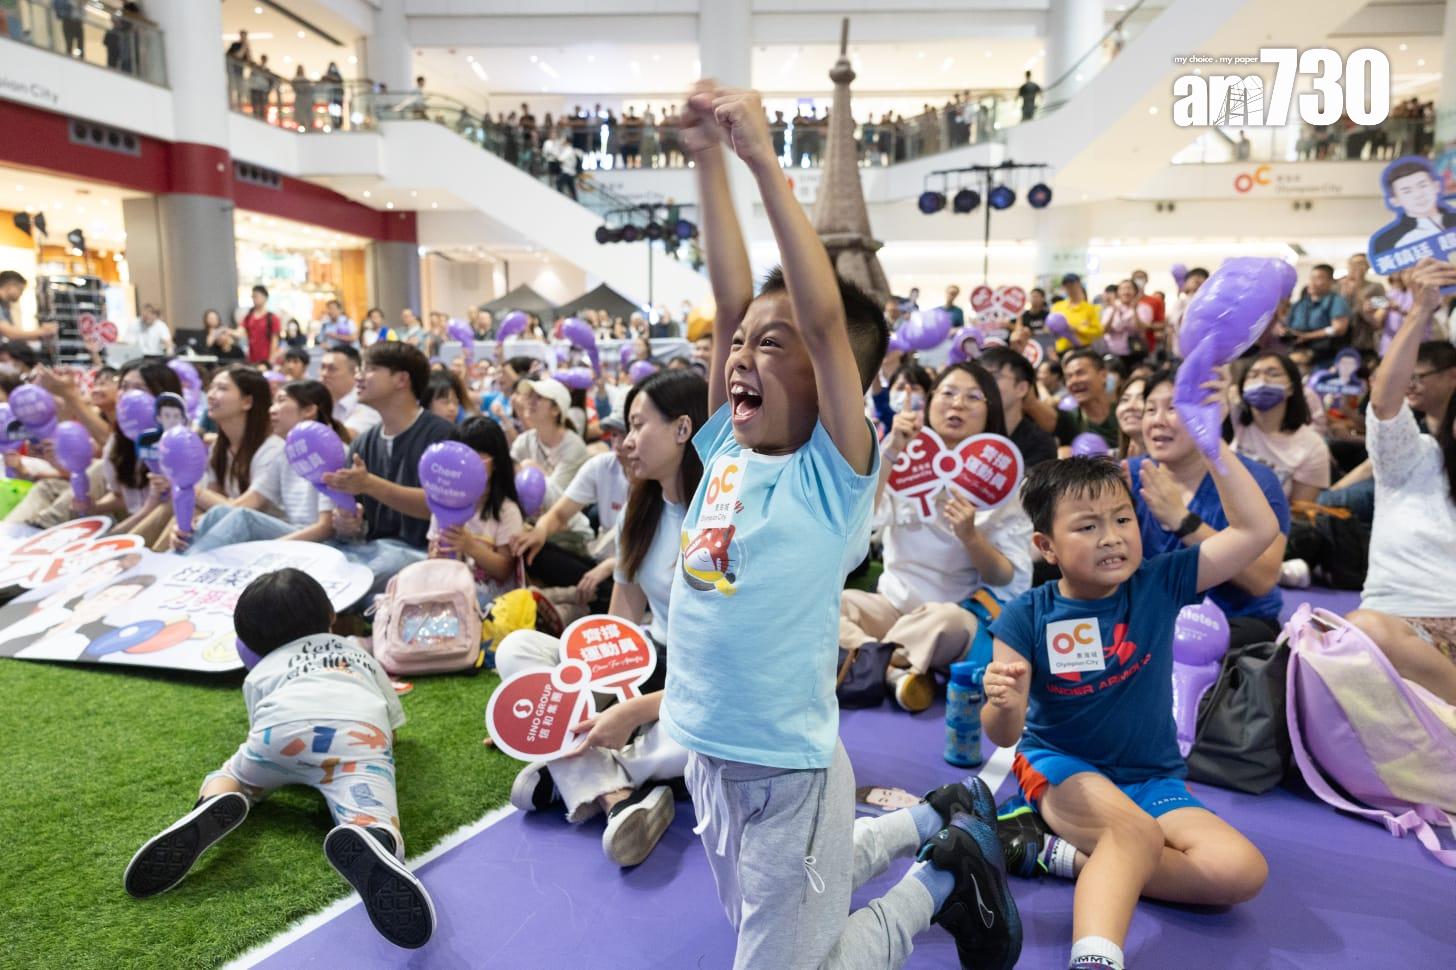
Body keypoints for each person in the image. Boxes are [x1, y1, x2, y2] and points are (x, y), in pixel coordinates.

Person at [670, 81, 1020, 970]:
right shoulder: (725, 453)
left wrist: (758, 160)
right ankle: (930, 825)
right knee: (779, 908)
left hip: (787, 772)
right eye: (742, 343)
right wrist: (707, 161)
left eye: (771, 344)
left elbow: (826, 323)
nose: (745, 356)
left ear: (831, 381)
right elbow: (726, 294)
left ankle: (936, 886)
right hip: (708, 757)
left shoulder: (833, 477)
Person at [983, 451, 1276, 970]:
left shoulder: (1161, 583)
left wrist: (1216, 449)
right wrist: (1002, 702)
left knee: (1240, 872)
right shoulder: (1026, 614)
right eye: (1088, 526)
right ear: (1046, 546)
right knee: (1133, 834)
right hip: (1061, 766)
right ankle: (1095, 959)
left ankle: (1058, 855)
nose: (1112, 536)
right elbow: (1004, 735)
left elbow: (1258, 531)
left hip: (1150, 778)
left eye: (1122, 519)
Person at [123, 569, 435, 949]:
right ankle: (372, 836)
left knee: (232, 772)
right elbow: (393, 728)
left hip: (278, 737)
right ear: (330, 617)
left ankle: (217, 799)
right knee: (373, 811)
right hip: (356, 735)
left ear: (251, 642)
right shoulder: (357, 652)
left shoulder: (261, 671)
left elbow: (260, 722)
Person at [501, 371, 707, 867]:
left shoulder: (719, 520)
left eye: (638, 426)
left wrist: (630, 714)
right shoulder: (642, 509)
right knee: (518, 651)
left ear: (683, 429)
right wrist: (559, 699)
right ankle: (621, 797)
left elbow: (720, 677)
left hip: (702, 686)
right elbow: (616, 628)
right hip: (649, 664)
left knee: (701, 739)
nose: (625, 443)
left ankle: (575, 773)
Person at [843, 361, 1033, 712]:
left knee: (945, 623)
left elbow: (1009, 576)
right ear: (930, 403)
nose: (957, 403)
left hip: (953, 613)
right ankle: (899, 672)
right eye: (947, 392)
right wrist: (892, 449)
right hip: (891, 606)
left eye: (973, 397)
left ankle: (862, 659)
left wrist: (971, 537)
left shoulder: (1000, 483)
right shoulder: (905, 459)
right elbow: (861, 521)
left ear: (990, 413)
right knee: (836, 606)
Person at [1345, 259, 1456, 704]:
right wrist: (1420, 311)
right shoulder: (1414, 459)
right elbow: (1386, 403)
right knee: (1360, 633)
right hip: (1401, 630)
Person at [1130, 369, 1290, 653]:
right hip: (1155, 617)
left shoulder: (1255, 481)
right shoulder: (1131, 475)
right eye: (1150, 410)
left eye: (1172, 408)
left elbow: (1263, 579)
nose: (1157, 421)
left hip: (1236, 622)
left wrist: (1183, 521)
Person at [318, 343, 462, 594]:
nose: (359, 377)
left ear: (401, 379)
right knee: (323, 563)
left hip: (419, 552)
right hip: (371, 548)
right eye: (361, 369)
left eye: (371, 369)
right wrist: (347, 521)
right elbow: (356, 519)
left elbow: (440, 507)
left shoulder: (441, 435)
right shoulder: (363, 441)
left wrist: (371, 484)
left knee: (348, 582)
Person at [182, 381, 346, 555]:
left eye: (281, 401)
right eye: (273, 402)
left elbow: (326, 528)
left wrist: (267, 549)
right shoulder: (285, 452)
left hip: (320, 543)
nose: (272, 410)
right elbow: (246, 502)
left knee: (243, 519)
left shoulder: (332, 450)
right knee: (218, 513)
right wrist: (196, 525)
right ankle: (176, 558)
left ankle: (185, 565)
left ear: (308, 410)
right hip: (290, 532)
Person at [511, 413, 630, 611]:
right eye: (614, 434)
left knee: (615, 587)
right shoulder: (603, 465)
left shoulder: (660, 480)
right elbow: (559, 514)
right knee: (533, 552)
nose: (618, 443)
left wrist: (612, 565)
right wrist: (538, 533)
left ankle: (576, 603)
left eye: (626, 433)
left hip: (632, 570)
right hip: (602, 556)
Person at [427, 416, 523, 605]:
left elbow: (504, 570)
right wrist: (436, 555)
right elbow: (431, 554)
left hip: (493, 600)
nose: (466, 463)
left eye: (477, 455)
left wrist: (469, 545)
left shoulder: (506, 511)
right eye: (462, 455)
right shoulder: (444, 504)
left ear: (495, 462)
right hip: (451, 590)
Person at [1231, 352, 1332, 502]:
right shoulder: (1233, 422)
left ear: (1291, 387)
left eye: (1273, 374)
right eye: (1253, 376)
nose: (1262, 381)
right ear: (1242, 388)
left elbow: (1298, 513)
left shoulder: (1312, 446)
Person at [510, 376, 588, 504]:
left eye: (538, 398)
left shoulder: (573, 447)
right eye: (529, 396)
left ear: (555, 410)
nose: (530, 402)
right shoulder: (523, 441)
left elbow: (558, 499)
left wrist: (533, 470)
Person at [980, 348, 1057, 469]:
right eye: (980, 378)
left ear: (1021, 389)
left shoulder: (1039, 443)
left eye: (994, 377)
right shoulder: (969, 431)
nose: (983, 385)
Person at [1031, 349, 1120, 451]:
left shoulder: (1123, 413)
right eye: (1068, 377)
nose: (1074, 381)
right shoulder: (1069, 419)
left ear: (1103, 375)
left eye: (1080, 373)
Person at [1282, 264, 1350, 369]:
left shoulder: (1336, 301)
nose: (1313, 282)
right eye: (1311, 278)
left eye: (1318, 278)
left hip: (1325, 358)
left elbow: (1338, 328)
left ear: (1330, 282)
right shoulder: (1299, 304)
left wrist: (1307, 336)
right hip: (1296, 353)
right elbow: (1288, 326)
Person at [320, 345, 381, 436]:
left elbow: (350, 437)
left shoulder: (367, 403)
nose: (324, 374)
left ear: (355, 373)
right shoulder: (316, 400)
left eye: (332, 369)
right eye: (322, 367)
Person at [1050, 274, 1102, 354]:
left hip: (1083, 349)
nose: (1070, 288)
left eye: (1072, 284)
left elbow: (1098, 332)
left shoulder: (1090, 308)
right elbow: (1051, 329)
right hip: (1062, 350)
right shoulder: (1057, 307)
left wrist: (1078, 329)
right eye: (1067, 285)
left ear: (1079, 285)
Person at [240, 286, 280, 365]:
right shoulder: (248, 317)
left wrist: (271, 360)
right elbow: (240, 331)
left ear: (265, 298)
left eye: (256, 296)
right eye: (252, 297)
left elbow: (274, 340)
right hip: (252, 359)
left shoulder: (272, 318)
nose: (254, 299)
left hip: (266, 360)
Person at [1114, 374, 1147, 459]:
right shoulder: (1112, 462)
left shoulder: (1174, 463)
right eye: (1125, 399)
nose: (1130, 406)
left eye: (1141, 398)